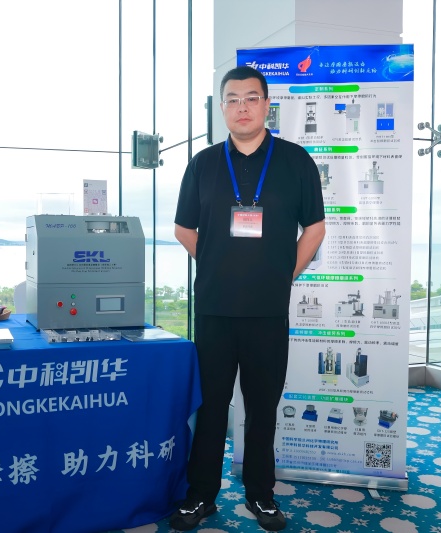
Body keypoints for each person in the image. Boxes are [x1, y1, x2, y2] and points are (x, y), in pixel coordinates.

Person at [170, 65, 325, 531]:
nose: (242, 107)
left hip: (267, 311)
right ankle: (201, 496)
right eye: (233, 99)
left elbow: (315, 228)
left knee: (262, 408)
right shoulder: (203, 163)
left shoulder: (296, 161)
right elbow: (183, 229)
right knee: (211, 406)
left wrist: (283, 274)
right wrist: (217, 264)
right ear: (222, 108)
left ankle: (261, 495)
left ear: (266, 105)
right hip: (214, 309)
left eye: (251, 98)